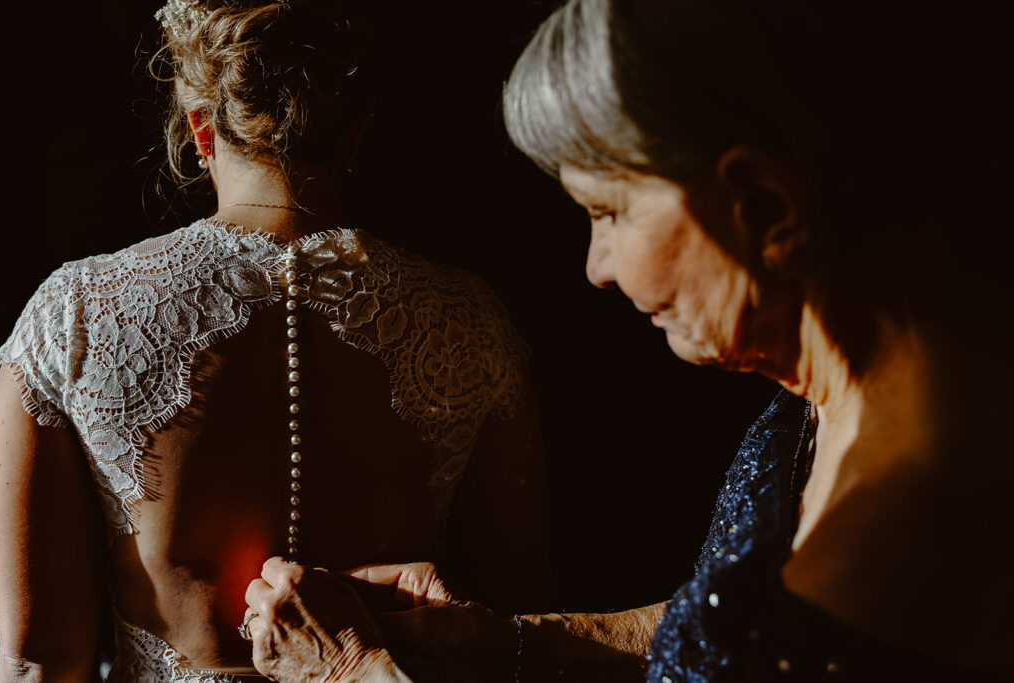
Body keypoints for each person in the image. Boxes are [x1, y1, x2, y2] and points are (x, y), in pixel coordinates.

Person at [240, 0, 1013, 680]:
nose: (595, 268)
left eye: (608, 213)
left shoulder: (898, 525)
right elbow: (717, 625)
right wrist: (489, 640)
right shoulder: (830, 395)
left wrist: (354, 671)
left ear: (764, 206)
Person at [0, 1, 550, 680]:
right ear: (355, 130)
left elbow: (39, 660)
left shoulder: (72, 315)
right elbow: (511, 628)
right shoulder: (472, 319)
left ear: (201, 131)